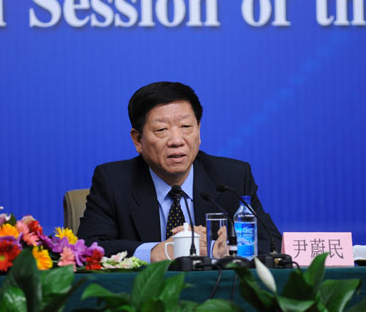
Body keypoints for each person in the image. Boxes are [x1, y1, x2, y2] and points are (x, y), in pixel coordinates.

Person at [77, 82, 282, 262]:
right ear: (137, 140)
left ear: (199, 131)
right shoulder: (114, 181)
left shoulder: (232, 177)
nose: (177, 141)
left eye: (186, 127)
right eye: (162, 130)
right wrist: (157, 251)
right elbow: (89, 247)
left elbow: (271, 242)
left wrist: (227, 249)